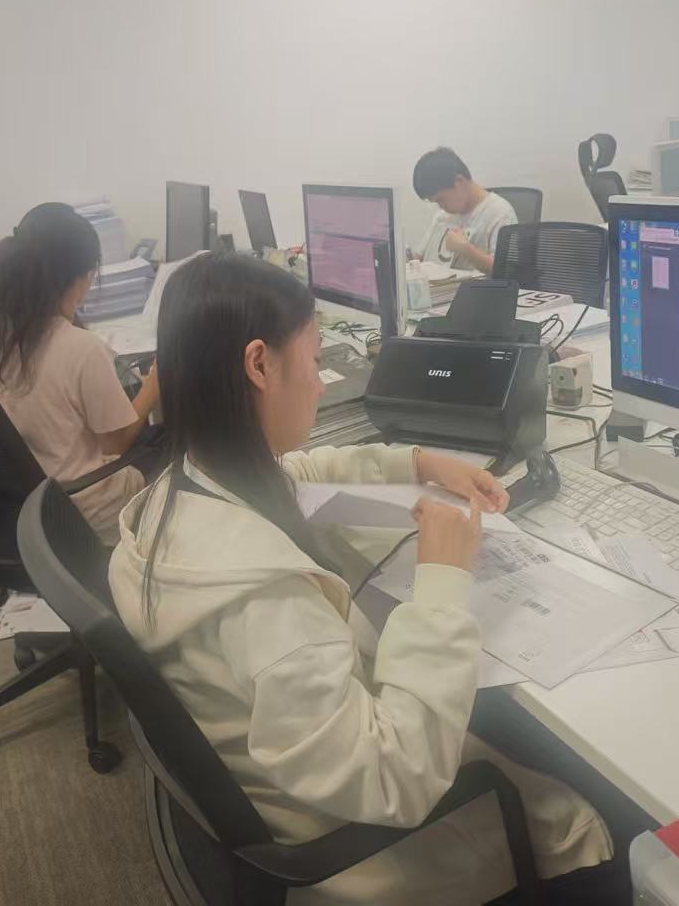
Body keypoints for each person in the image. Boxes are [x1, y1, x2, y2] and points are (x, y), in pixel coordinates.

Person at [108, 251, 624, 905]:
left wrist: (418, 461)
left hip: (293, 773)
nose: (321, 383)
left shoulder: (187, 483)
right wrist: (442, 579)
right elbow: (395, 779)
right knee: (585, 817)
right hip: (357, 842)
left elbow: (299, 471)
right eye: (313, 357)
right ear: (259, 365)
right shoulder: (265, 598)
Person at [0, 202, 160, 543]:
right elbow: (115, 443)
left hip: (35, 503)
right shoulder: (82, 348)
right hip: (91, 507)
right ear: (81, 277)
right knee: (172, 441)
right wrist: (154, 386)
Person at [411, 147, 517, 274]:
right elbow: (418, 257)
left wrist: (465, 248)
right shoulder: (442, 217)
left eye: (441, 200)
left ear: (459, 181)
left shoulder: (500, 213)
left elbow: (504, 270)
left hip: (476, 286)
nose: (440, 206)